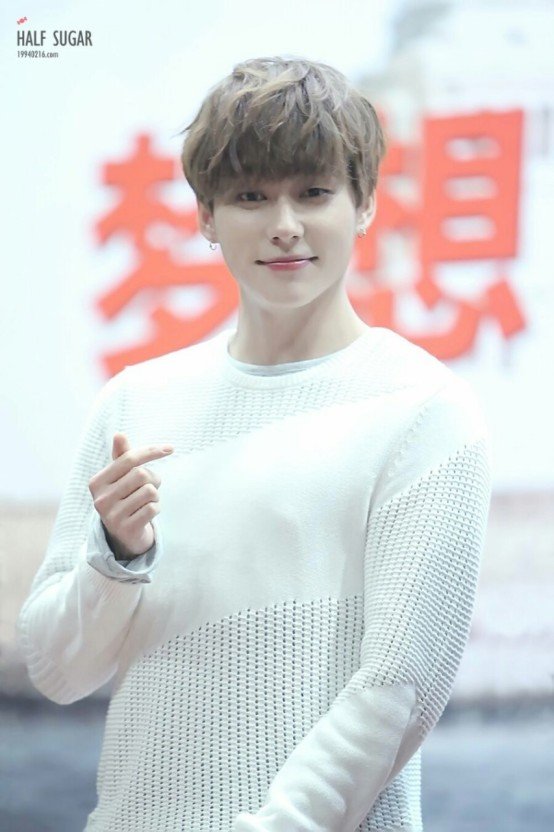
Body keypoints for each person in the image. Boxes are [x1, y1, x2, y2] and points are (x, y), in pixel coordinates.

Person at [16, 55, 493, 832]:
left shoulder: (424, 411)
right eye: (250, 197)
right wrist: (116, 558)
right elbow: (56, 670)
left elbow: (398, 689)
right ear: (206, 217)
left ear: (366, 203)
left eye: (314, 192)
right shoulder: (137, 401)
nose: (285, 224)